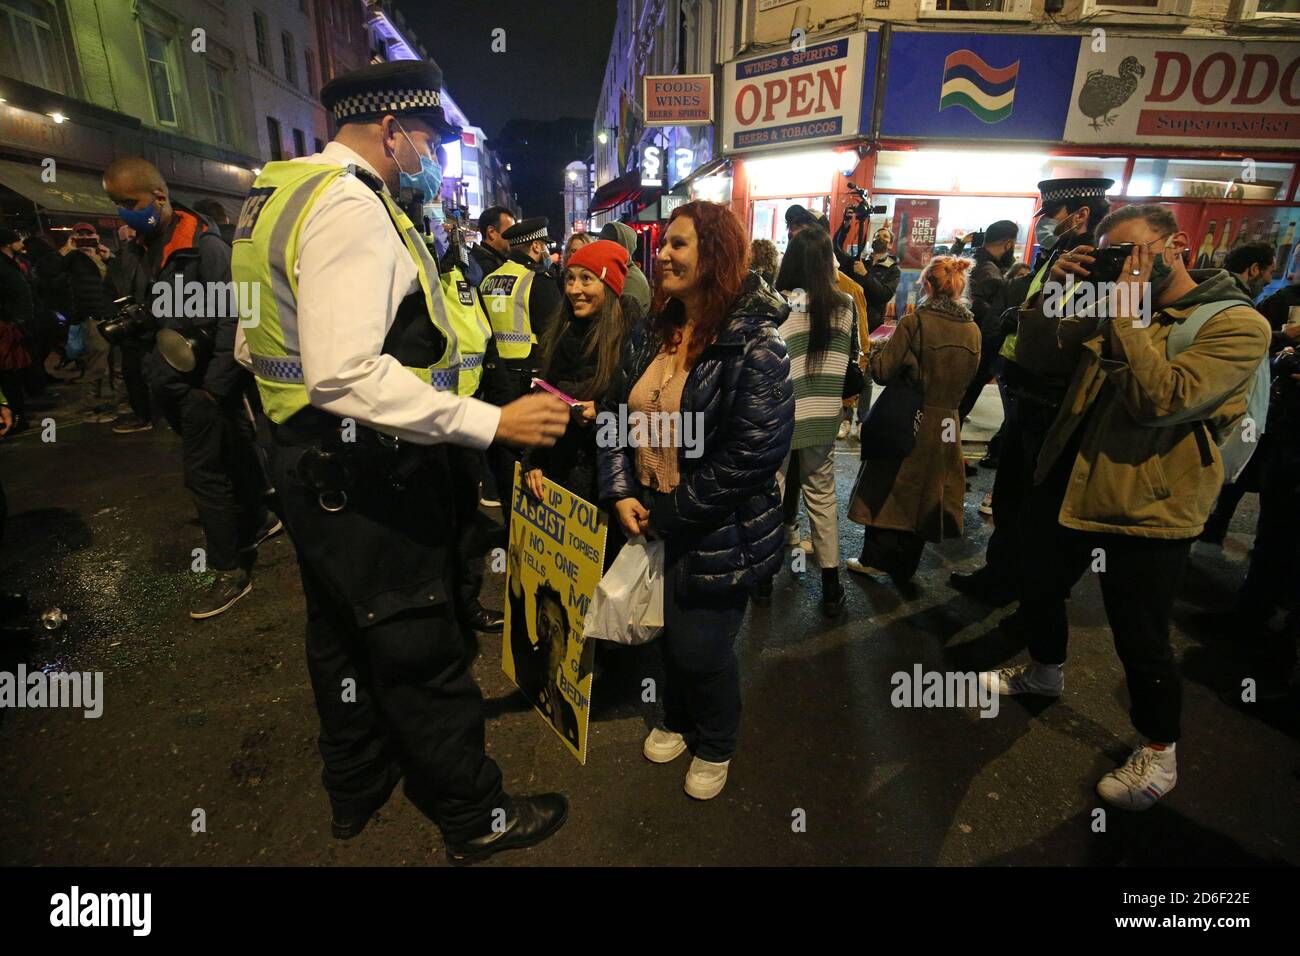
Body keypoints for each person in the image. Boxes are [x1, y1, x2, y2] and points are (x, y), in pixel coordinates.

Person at [231, 60, 572, 864]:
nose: (430, 156)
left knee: (341, 638)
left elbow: (254, 345)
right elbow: (344, 371)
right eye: (426, 140)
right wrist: (488, 421)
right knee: (420, 646)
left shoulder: (276, 192)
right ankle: (473, 816)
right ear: (390, 130)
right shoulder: (350, 206)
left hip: (306, 465)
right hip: (366, 475)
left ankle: (355, 788)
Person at [984, 203, 1271, 810]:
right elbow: (1038, 355)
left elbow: (1159, 399)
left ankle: (1159, 750)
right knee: (1035, 581)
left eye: (1135, 254)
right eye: (1113, 256)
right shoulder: (1118, 300)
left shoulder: (1238, 325)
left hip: (1151, 505)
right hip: (1070, 478)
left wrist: (1125, 311)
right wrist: (1054, 293)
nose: (1123, 269)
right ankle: (1044, 668)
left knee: (1139, 634)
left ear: (1180, 245)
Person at [599, 200, 793, 801]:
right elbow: (612, 415)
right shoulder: (650, 330)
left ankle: (716, 740)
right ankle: (680, 719)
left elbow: (752, 454)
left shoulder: (755, 346)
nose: (662, 254)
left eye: (679, 244)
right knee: (661, 636)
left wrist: (671, 513)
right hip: (650, 515)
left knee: (700, 646)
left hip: (720, 528)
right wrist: (620, 489)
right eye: (663, 245)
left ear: (715, 255)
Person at [102, 157, 277, 620]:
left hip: (202, 383)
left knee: (202, 475)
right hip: (169, 379)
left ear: (158, 196)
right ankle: (261, 517)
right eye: (116, 204)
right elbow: (155, 309)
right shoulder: (140, 249)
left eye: (129, 202)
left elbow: (234, 318)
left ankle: (228, 568)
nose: (123, 212)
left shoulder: (204, 248)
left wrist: (215, 389)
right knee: (235, 450)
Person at [949, 177, 1112, 606]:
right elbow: (1034, 308)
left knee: (1035, 505)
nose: (1043, 225)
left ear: (1080, 215)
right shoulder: (1057, 255)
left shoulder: (1094, 265)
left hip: (1053, 398)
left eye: (1051, 216)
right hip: (1023, 386)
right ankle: (1000, 576)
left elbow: (1069, 332)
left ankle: (1026, 595)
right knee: (1010, 495)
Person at [847, 257, 980, 584]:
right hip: (947, 422)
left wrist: (877, 349)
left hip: (909, 417)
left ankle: (875, 560)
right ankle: (906, 566)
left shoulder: (915, 323)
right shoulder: (973, 330)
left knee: (887, 488)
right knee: (925, 494)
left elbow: (882, 372)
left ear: (930, 286)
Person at [523, 238, 637, 567]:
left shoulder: (633, 338)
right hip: (561, 477)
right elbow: (542, 396)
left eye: (587, 279)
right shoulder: (562, 331)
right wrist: (534, 459)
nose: (575, 289)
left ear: (610, 284)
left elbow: (642, 413)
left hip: (606, 486)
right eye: (570, 278)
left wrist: (601, 411)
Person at [762, 225, 853, 615]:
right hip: (823, 416)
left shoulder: (780, 304)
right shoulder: (845, 304)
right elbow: (850, 359)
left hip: (781, 417)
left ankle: (763, 582)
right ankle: (831, 588)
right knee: (822, 496)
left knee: (772, 493)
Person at [480, 215, 564, 534]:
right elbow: (553, 337)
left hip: (492, 382)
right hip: (526, 383)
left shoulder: (489, 280)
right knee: (531, 467)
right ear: (536, 246)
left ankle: (510, 530)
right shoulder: (537, 283)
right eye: (544, 248)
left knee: (503, 467)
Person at [957, 219, 1018, 430]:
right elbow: (987, 319)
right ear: (1008, 244)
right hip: (976, 350)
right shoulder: (991, 274)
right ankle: (944, 455)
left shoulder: (969, 260)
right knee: (959, 406)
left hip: (959, 346)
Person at [0, 228, 34, 431]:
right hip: (7, 324)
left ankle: (17, 415)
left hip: (13, 323)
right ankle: (15, 417)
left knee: (12, 371)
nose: (21, 242)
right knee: (8, 372)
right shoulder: (4, 266)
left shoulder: (11, 263)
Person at [598, 220, 651, 315]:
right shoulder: (613, 272)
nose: (601, 248)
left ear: (622, 246)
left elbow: (621, 321)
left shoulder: (632, 279)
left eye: (608, 244)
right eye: (600, 242)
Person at [471, 205, 514, 279]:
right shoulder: (489, 269)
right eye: (511, 231)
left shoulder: (476, 260)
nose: (514, 236)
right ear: (492, 232)